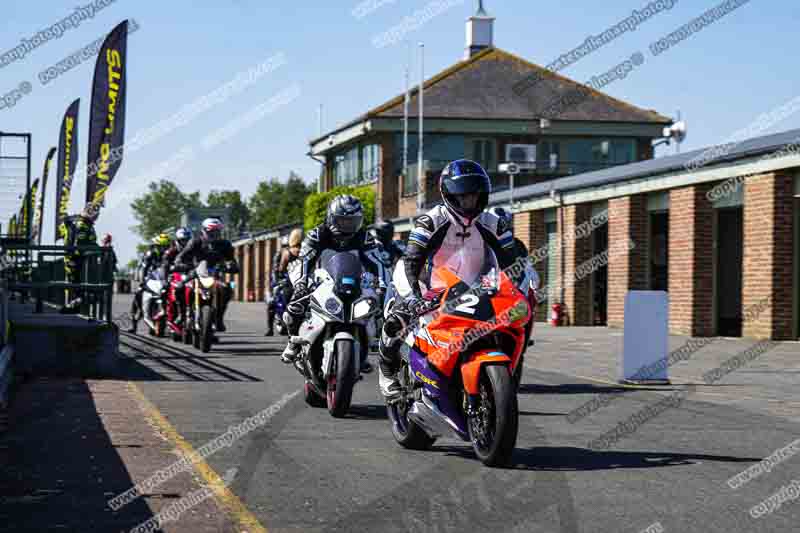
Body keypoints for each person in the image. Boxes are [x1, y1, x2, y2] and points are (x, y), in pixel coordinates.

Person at [378, 159, 516, 401]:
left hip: (473, 288)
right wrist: (413, 298)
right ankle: (387, 371)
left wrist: (520, 289)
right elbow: (412, 260)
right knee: (398, 318)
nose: (469, 202)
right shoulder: (431, 221)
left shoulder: (494, 224)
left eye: (474, 196)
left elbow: (513, 263)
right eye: (463, 196)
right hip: (428, 283)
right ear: (449, 195)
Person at [279, 194, 386, 372]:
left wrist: (383, 286)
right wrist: (301, 284)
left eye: (352, 221)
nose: (348, 226)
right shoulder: (317, 234)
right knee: (294, 303)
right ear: (331, 218)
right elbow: (305, 260)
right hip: (322, 281)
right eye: (342, 221)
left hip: (355, 282)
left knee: (378, 311)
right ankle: (293, 340)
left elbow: (378, 263)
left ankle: (362, 351)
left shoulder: (364, 237)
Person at [173, 218, 239, 332]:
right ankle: (183, 314)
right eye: (211, 232)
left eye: (217, 232)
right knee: (179, 287)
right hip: (196, 271)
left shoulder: (225, 244)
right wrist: (178, 263)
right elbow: (182, 255)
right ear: (203, 230)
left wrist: (232, 266)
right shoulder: (195, 241)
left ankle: (219, 318)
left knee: (226, 289)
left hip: (215, 274)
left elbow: (231, 260)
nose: (214, 234)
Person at [59, 204, 99, 314]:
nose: (95, 214)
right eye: (92, 212)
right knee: (75, 285)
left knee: (77, 285)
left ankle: (73, 307)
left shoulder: (86, 225)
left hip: (80, 259)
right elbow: (80, 244)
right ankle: (70, 307)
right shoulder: (82, 225)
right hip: (75, 259)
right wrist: (95, 249)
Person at [127, 233, 170, 332]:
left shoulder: (169, 254)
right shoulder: (150, 254)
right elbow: (144, 268)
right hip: (150, 278)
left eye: (165, 246)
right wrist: (142, 281)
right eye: (160, 247)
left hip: (163, 279)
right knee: (138, 294)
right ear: (155, 246)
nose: (162, 249)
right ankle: (134, 323)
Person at [265, 228, 302, 336]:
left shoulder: (286, 252)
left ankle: (269, 329)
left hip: (288, 282)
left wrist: (278, 280)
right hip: (299, 281)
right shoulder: (305, 251)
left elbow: (280, 269)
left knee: (272, 302)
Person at [161, 227, 193, 326]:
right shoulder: (171, 251)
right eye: (182, 240)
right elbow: (165, 264)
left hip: (191, 275)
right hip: (175, 275)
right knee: (165, 290)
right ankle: (167, 312)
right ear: (178, 240)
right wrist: (165, 279)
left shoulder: (194, 249)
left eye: (187, 240)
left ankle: (210, 323)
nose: (185, 242)